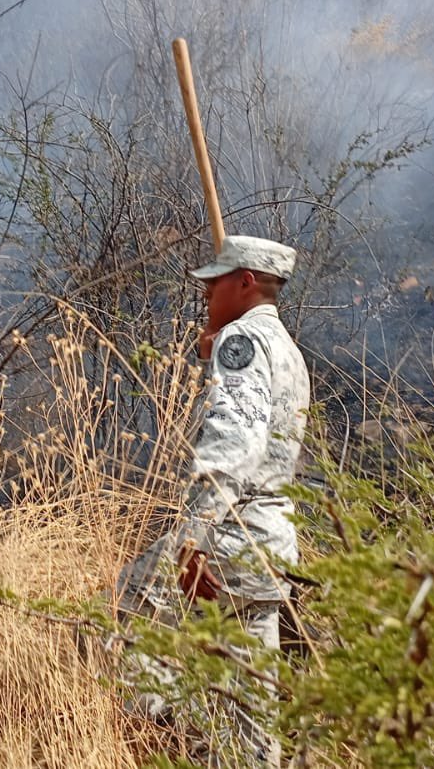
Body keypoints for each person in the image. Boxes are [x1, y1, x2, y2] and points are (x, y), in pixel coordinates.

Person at [116, 234, 311, 768]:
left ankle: (152, 743)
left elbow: (233, 446)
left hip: (229, 535)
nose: (205, 291)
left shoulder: (242, 342)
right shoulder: (286, 350)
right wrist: (212, 358)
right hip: (269, 543)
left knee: (136, 598)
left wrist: (191, 540)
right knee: (252, 697)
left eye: (215, 281)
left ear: (245, 282)